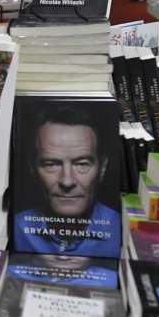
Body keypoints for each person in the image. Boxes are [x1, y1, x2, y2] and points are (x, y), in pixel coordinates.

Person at [14, 103, 119, 256]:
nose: (67, 181)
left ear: (102, 168)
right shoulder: (16, 229)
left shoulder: (123, 230)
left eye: (82, 164)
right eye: (51, 164)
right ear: (33, 169)